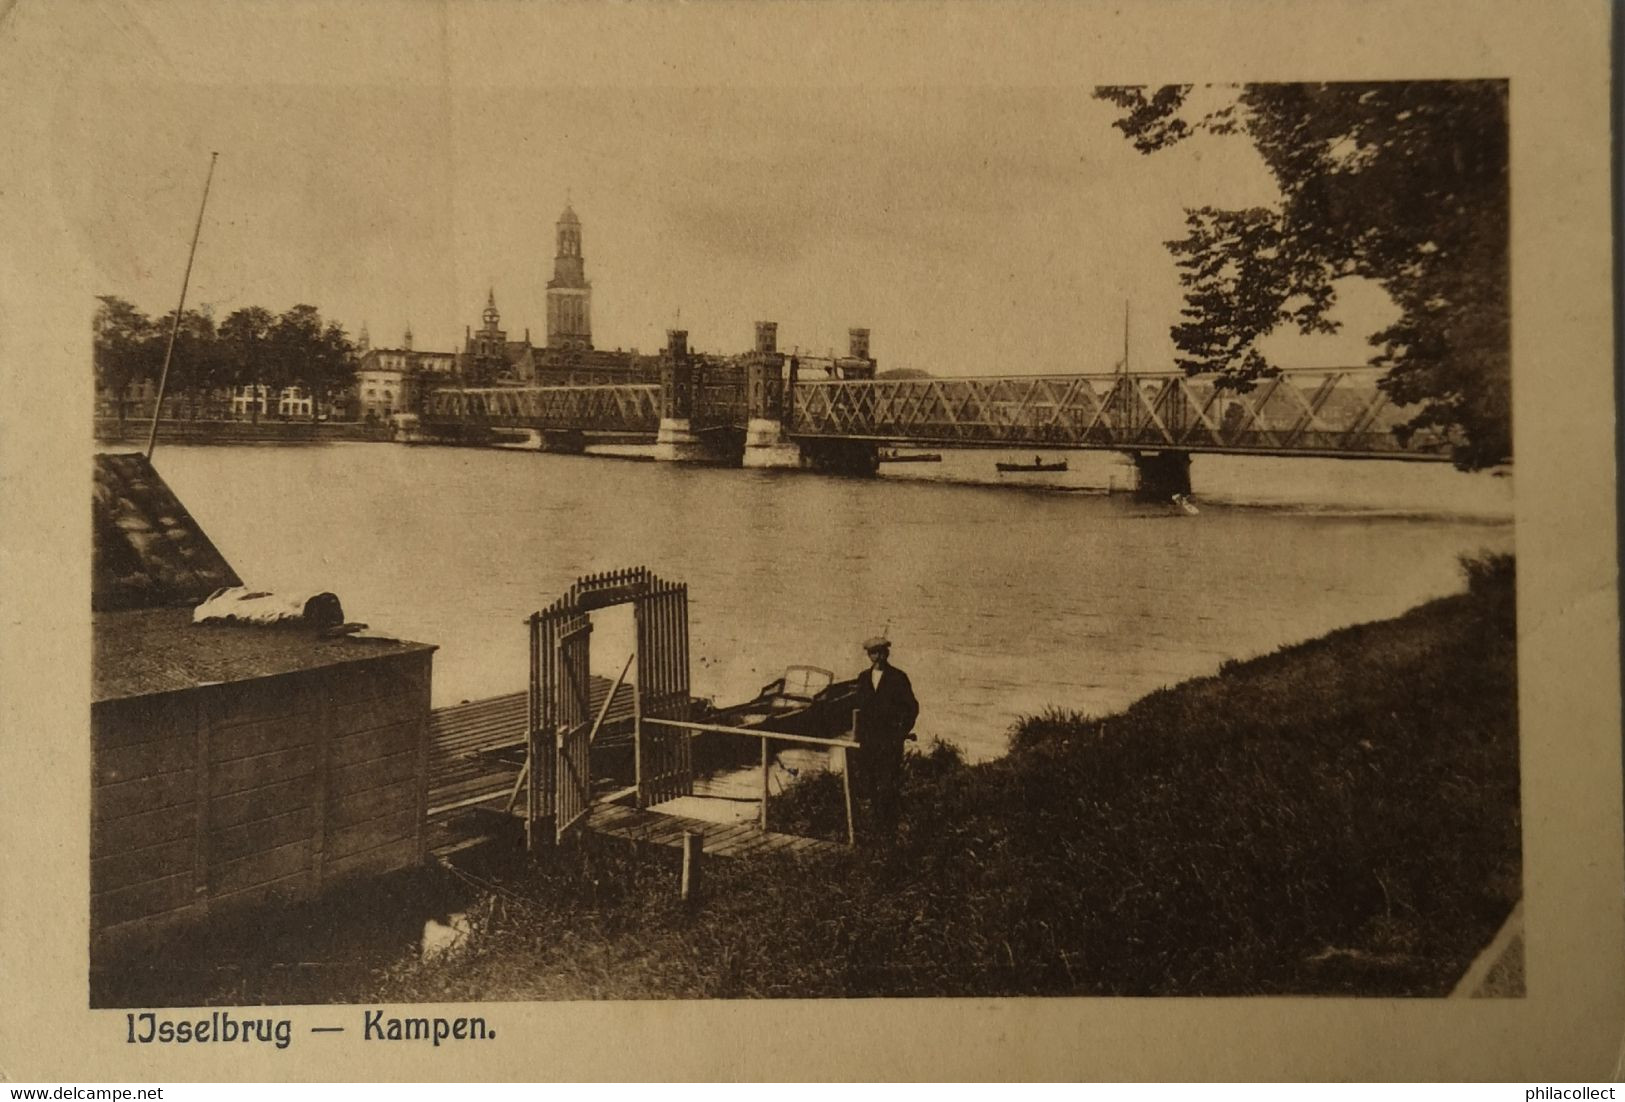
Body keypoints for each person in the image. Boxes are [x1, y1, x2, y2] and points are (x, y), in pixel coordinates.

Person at [850, 635, 919, 844]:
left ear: (887, 653)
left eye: (881, 652)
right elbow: (857, 709)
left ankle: (889, 830)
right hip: (868, 743)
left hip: (889, 742)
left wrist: (900, 732)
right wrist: (858, 736)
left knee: (887, 784)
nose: (877, 656)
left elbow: (912, 708)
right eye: (873, 653)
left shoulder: (898, 677)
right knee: (870, 785)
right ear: (869, 656)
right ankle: (876, 828)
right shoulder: (863, 678)